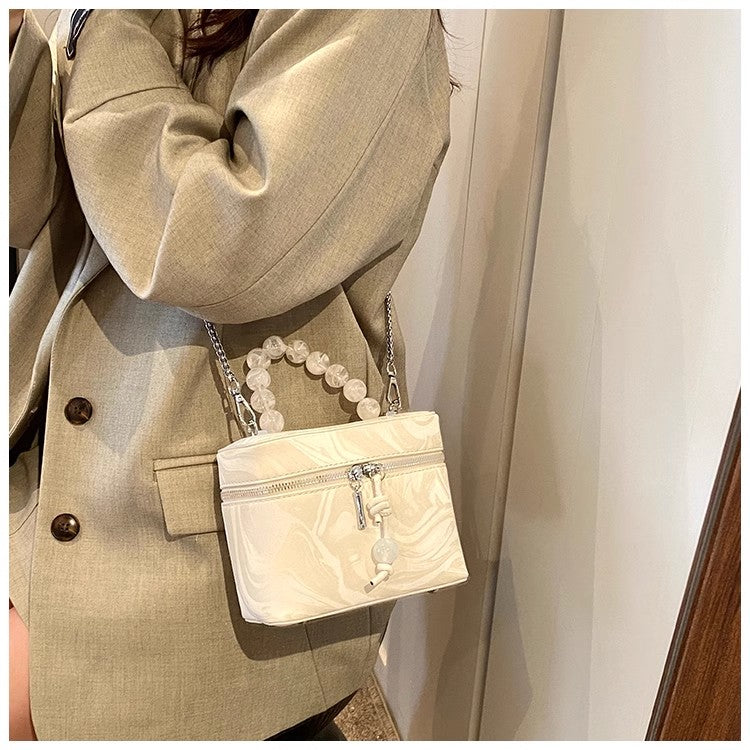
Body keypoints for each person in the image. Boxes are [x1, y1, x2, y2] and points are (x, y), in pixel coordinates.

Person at [9, 8, 454, 740]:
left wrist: (104, 26)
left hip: (204, 551)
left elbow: (220, 243)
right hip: (52, 477)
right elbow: (31, 208)